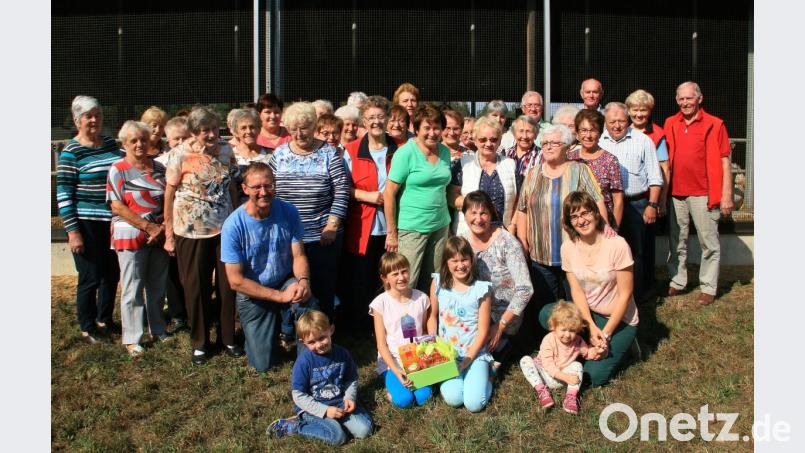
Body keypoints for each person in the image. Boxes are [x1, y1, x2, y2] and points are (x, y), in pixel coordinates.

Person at [163, 106, 241, 365]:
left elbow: (231, 184)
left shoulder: (227, 150)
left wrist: (237, 219)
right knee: (196, 287)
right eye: (204, 130)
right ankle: (199, 342)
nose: (210, 134)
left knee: (227, 286)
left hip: (225, 228)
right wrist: (168, 233)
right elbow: (170, 194)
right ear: (194, 132)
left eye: (213, 128)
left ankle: (228, 337)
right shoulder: (178, 154)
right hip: (191, 231)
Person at [221, 162, 317, 372]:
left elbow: (299, 255)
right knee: (262, 364)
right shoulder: (233, 225)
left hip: (284, 280)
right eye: (256, 187)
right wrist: (279, 297)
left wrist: (303, 281)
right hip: (253, 290)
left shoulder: (288, 211)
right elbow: (235, 280)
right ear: (245, 189)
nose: (263, 192)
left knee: (307, 301)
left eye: (268, 185)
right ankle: (261, 336)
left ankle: (307, 361)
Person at [539, 191, 639, 387]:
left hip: (618, 320)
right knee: (545, 314)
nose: (581, 220)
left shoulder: (617, 245)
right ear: (569, 222)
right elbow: (576, 292)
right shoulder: (568, 248)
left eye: (585, 213)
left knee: (592, 378)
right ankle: (578, 343)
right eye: (574, 216)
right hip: (588, 314)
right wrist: (591, 326)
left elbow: (625, 295)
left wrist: (606, 333)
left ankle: (627, 345)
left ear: (595, 213)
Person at [515, 125, 612, 307]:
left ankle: (580, 334)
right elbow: (522, 209)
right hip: (540, 254)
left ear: (567, 146)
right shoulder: (533, 174)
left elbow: (598, 202)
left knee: (578, 302)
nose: (548, 147)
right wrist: (523, 241)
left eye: (554, 143)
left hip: (576, 251)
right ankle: (549, 336)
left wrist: (604, 230)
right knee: (546, 305)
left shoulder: (580, 170)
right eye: (545, 143)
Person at [269, 102, 350, 320]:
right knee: (291, 285)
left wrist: (332, 225)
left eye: (304, 127)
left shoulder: (328, 153)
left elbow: (341, 191)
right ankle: (291, 331)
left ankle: (325, 330)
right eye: (293, 128)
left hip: (321, 235)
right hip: (288, 236)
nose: (299, 133)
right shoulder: (280, 154)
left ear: (314, 126)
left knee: (323, 287)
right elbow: (271, 190)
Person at [57, 95, 121, 343]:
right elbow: (63, 194)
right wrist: (73, 232)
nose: (94, 120)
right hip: (86, 223)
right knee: (90, 276)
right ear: (77, 121)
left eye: (97, 114)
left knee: (111, 274)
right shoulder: (71, 153)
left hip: (112, 221)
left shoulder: (110, 144)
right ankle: (87, 327)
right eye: (88, 116)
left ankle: (105, 319)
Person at [663, 81, 733, 305]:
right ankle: (677, 281)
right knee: (677, 241)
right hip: (676, 193)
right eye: (681, 99)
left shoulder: (715, 124)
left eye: (689, 98)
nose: (685, 103)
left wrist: (726, 194)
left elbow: (725, 161)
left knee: (708, 242)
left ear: (699, 99)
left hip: (704, 193)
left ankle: (709, 287)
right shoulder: (671, 123)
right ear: (676, 101)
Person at [107, 121, 170, 356]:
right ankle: (132, 337)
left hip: (159, 235)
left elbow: (168, 200)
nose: (139, 144)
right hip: (130, 235)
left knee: (157, 284)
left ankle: (158, 328)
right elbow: (116, 205)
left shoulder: (160, 168)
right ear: (125, 144)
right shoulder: (118, 168)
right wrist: (147, 227)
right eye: (133, 140)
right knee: (132, 287)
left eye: (143, 139)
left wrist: (161, 228)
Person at [267, 311, 373, 445]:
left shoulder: (342, 354)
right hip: (314, 408)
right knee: (338, 437)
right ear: (303, 342)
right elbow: (298, 395)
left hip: (340, 404)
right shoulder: (304, 362)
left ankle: (336, 424)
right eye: (311, 342)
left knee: (365, 430)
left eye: (322, 338)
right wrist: (325, 411)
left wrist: (349, 398)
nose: (319, 345)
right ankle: (296, 426)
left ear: (331, 330)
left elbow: (351, 379)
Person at [342, 95, 399, 331]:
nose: (376, 122)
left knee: (388, 277)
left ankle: (387, 326)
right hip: (363, 227)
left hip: (393, 227)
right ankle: (360, 328)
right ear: (363, 121)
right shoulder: (351, 150)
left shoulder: (400, 149)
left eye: (380, 116)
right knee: (360, 279)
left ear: (388, 119)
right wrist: (367, 196)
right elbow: (341, 186)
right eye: (371, 118)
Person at [599, 102, 663, 303]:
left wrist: (652, 205)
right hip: (607, 206)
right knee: (609, 251)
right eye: (612, 121)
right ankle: (612, 296)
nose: (617, 125)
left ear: (628, 120)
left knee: (636, 252)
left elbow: (655, 176)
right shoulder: (599, 140)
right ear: (605, 122)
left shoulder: (643, 141)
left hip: (636, 204)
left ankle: (638, 296)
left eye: (621, 121)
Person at [384, 104, 452, 293]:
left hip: (440, 226)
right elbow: (389, 193)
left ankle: (428, 321)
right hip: (412, 228)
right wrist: (391, 232)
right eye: (427, 128)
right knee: (406, 282)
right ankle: (402, 323)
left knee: (434, 281)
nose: (432, 132)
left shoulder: (445, 152)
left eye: (437, 127)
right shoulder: (405, 153)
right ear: (416, 129)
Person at [459, 191, 533, 364]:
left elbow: (525, 289)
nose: (478, 219)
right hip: (472, 316)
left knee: (484, 360)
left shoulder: (507, 243)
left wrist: (500, 326)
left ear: (491, 214)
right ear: (465, 215)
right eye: (473, 213)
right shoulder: (461, 241)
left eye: (483, 213)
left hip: (502, 318)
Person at [428, 236, 493, 413]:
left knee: (474, 404)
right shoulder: (438, 283)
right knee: (454, 398)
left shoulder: (481, 290)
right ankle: (468, 379)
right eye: (454, 260)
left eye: (464, 259)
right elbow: (432, 316)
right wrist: (433, 341)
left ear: (471, 260)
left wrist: (465, 362)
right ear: (446, 263)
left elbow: (483, 332)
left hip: (474, 354)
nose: (460, 265)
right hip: (447, 356)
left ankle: (488, 378)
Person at [369, 252, 435, 408]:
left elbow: (424, 331)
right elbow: (381, 345)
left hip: (417, 359)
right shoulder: (380, 304)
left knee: (424, 397)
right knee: (404, 400)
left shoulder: (421, 298)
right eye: (395, 274)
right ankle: (391, 386)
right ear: (385, 278)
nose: (401, 277)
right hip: (394, 361)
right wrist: (397, 371)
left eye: (404, 271)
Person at [520, 301, 602, 414]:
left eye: (572, 330)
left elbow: (587, 353)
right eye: (563, 330)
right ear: (554, 326)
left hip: (563, 378)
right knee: (525, 360)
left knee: (577, 365)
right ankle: (541, 390)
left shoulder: (578, 340)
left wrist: (595, 350)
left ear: (577, 329)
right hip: (544, 374)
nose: (568, 335)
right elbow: (548, 364)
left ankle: (571, 397)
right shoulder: (549, 340)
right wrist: (565, 377)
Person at [450, 116, 518, 236]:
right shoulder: (462, 164)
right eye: (482, 139)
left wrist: (513, 225)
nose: (488, 144)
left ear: (500, 141)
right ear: (475, 140)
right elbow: (451, 195)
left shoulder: (510, 164)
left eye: (493, 139)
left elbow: (518, 200)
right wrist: (477, 206)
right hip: (468, 232)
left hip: (502, 233)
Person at [155, 116, 190, 332]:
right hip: (170, 222)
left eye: (184, 138)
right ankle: (178, 313)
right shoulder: (160, 163)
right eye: (175, 139)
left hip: (190, 224)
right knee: (172, 271)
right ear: (168, 140)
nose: (180, 142)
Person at [568, 109, 624, 228]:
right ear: (577, 133)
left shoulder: (610, 160)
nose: (588, 135)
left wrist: (614, 230)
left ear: (600, 133)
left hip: (602, 225)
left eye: (593, 130)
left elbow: (618, 199)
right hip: (574, 224)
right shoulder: (569, 158)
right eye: (583, 130)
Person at [230, 108, 272, 206]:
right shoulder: (229, 156)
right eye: (243, 128)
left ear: (259, 129)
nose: (248, 131)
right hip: (237, 211)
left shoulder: (271, 154)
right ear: (236, 131)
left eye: (252, 127)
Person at [503, 115, 541, 190]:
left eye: (529, 131)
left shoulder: (542, 156)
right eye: (521, 131)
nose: (524, 136)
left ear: (536, 135)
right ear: (514, 134)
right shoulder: (505, 154)